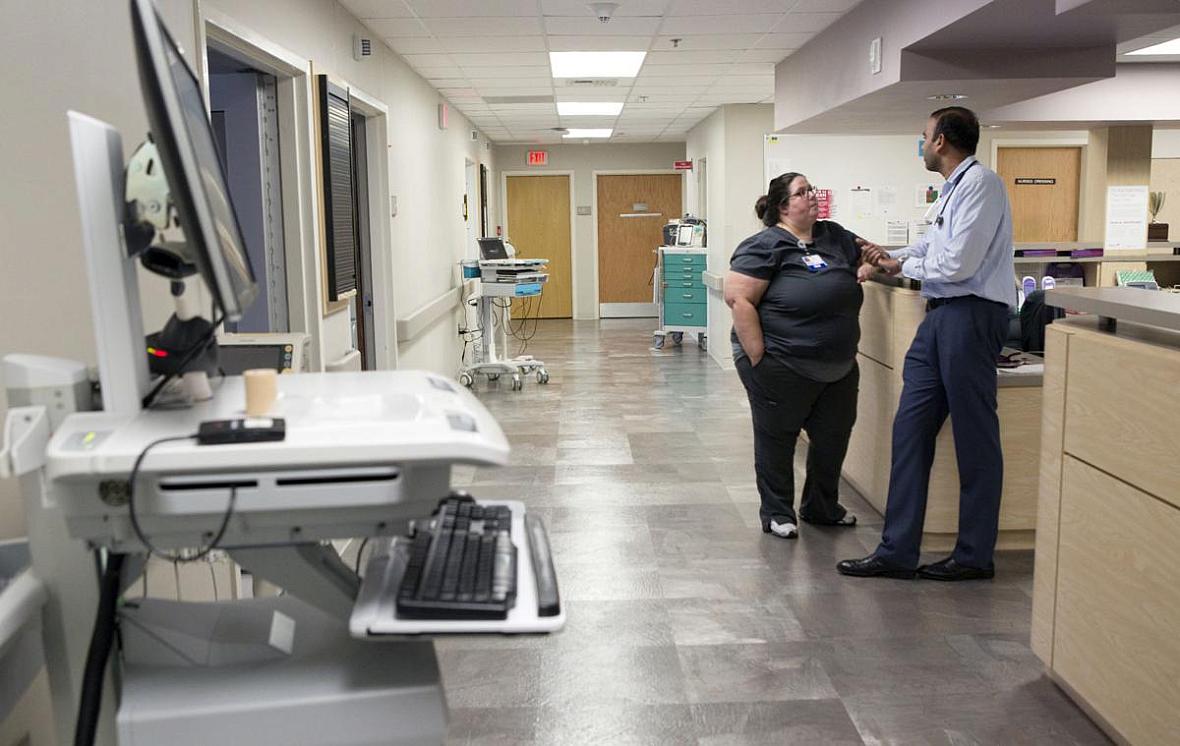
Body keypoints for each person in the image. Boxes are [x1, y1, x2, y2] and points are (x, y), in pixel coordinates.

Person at [838, 106, 1017, 580]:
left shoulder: (982, 185)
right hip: (940, 317)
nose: (920, 145)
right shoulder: (952, 189)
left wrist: (900, 268)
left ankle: (974, 555)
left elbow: (958, 264)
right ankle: (897, 551)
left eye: (924, 137)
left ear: (941, 141)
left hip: (972, 315)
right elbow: (930, 247)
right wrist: (885, 254)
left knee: (975, 438)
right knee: (910, 429)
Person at [725, 172, 869, 540]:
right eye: (802, 192)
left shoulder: (834, 235)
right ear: (783, 206)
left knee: (833, 438)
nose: (811, 196)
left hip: (838, 365)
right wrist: (760, 359)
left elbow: (872, 254)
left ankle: (822, 507)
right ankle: (777, 512)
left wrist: (868, 264)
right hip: (782, 363)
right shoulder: (764, 245)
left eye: (812, 190)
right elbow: (739, 300)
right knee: (777, 438)